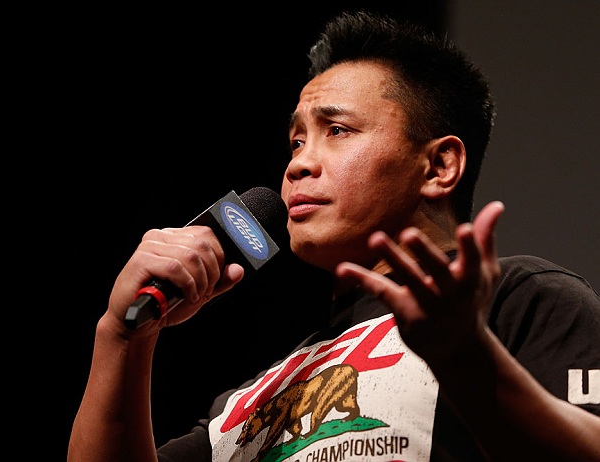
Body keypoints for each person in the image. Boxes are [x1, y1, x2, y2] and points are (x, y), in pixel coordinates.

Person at [68, 11, 600, 462]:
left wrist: (468, 360)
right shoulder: (254, 400)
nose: (299, 164)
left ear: (440, 165)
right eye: (296, 141)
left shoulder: (524, 298)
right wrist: (120, 338)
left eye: (336, 131)